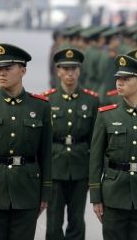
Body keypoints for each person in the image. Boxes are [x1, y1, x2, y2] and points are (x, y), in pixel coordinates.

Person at [89, 55, 137, 240]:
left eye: (126, 79)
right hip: (114, 194)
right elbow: (95, 159)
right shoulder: (106, 116)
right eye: (118, 79)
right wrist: (96, 197)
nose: (120, 83)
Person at [0, 43, 52, 240]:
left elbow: (45, 154)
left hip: (26, 191)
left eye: (7, 68)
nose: (1, 73)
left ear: (23, 70)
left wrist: (45, 193)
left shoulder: (41, 106)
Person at [44, 48, 99, 240]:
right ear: (58, 71)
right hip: (55, 168)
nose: (69, 74)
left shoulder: (91, 100)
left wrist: (93, 176)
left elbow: (96, 141)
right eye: (65, 69)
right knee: (53, 221)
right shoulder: (48, 100)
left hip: (80, 168)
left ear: (79, 71)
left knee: (77, 220)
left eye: (73, 69)